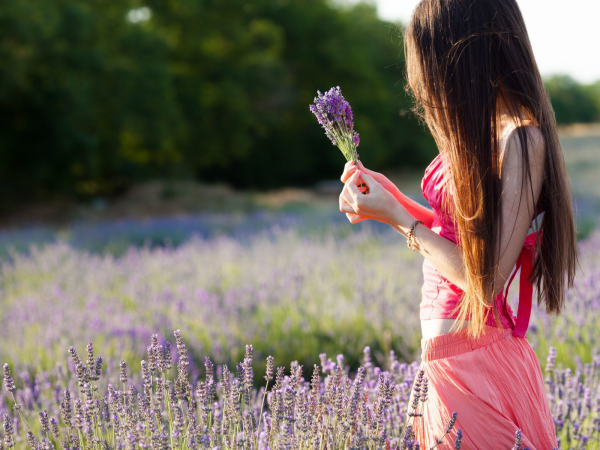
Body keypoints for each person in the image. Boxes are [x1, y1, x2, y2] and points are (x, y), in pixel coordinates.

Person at [338, 0, 578, 448]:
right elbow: (454, 236)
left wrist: (399, 218)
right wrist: (390, 203)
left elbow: (485, 280)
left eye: (432, 61)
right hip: (443, 365)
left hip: (478, 365)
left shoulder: (522, 139)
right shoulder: (481, 132)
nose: (427, 83)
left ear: (466, 52)